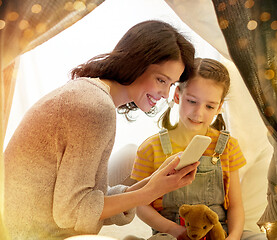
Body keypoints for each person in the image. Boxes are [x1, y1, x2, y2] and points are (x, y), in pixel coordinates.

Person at [3, 20, 199, 240]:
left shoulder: (92, 94)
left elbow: (86, 196)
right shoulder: (94, 107)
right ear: (135, 64)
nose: (164, 93)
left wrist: (155, 183)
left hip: (32, 218)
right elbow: (72, 212)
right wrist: (149, 192)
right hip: (31, 233)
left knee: (131, 154)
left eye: (171, 84)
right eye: (161, 79)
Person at [131, 58, 267, 240]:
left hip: (220, 232)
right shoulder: (150, 149)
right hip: (171, 233)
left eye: (209, 106)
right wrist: (175, 231)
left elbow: (235, 206)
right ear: (177, 95)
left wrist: (233, 237)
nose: (198, 113)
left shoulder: (228, 146)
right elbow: (140, 205)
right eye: (192, 101)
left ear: (219, 107)